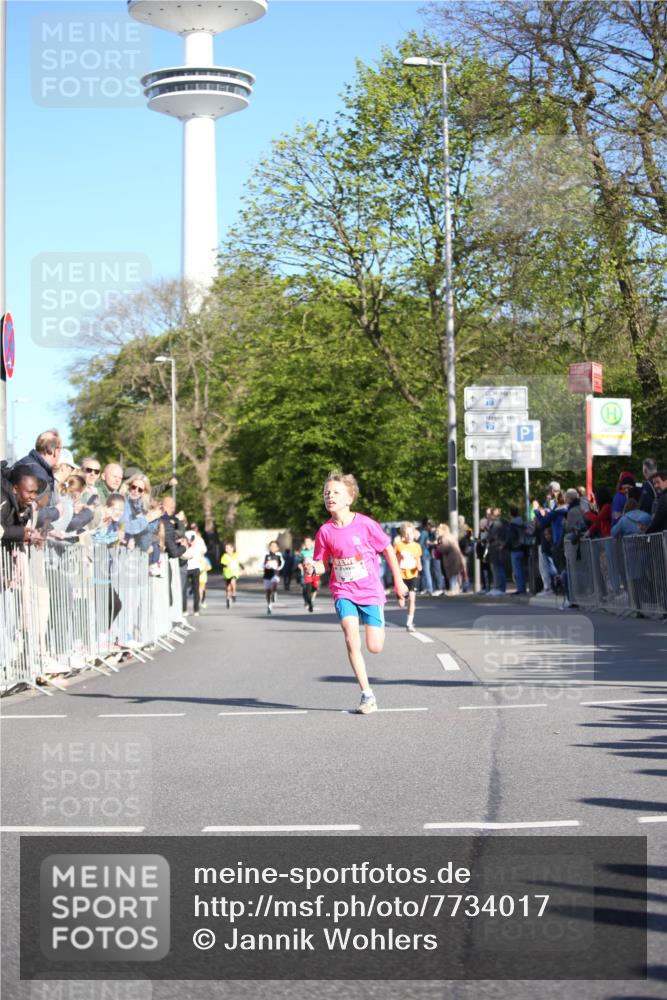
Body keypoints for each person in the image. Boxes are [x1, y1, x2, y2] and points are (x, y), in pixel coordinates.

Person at [312, 472, 408, 715]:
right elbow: (322, 564)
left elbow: (387, 550)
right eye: (326, 493)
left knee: (374, 646)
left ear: (349, 498)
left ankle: (378, 626)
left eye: (335, 492)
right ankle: (367, 695)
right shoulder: (324, 531)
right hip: (343, 590)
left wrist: (398, 583)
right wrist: (314, 567)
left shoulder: (365, 524)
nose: (330, 496)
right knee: (350, 637)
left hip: (369, 591)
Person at [394, 521, 422, 631]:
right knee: (401, 604)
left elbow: (418, 559)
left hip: (413, 574)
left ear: (414, 534)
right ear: (403, 535)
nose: (409, 536)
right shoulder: (399, 546)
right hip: (401, 575)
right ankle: (400, 596)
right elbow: (394, 560)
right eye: (407, 534)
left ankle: (409, 623)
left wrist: (419, 566)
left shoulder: (417, 546)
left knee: (412, 598)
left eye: (411, 533)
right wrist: (396, 568)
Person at [182, 528, 207, 616]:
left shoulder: (195, 539)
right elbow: (204, 551)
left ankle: (187, 610)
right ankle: (194, 610)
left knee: (187, 589)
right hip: (192, 567)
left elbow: (203, 552)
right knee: (193, 590)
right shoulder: (199, 540)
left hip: (191, 567)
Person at [435, 523, 465, 595]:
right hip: (455, 558)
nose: (437, 532)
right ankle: (455, 589)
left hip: (451, 559)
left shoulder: (444, 538)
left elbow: (444, 548)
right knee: (454, 575)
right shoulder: (450, 536)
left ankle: (453, 590)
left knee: (452, 575)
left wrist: (438, 546)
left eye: (438, 531)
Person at [486, 508, 509, 595]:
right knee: (498, 568)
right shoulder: (503, 523)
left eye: (490, 514)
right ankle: (499, 587)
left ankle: (500, 588)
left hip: (497, 549)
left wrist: (488, 536)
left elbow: (491, 536)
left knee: (497, 569)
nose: (489, 516)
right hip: (500, 548)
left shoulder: (496, 524)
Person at [507, 506, 529, 595]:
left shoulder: (512, 525)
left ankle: (520, 589)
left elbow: (511, 538)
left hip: (515, 549)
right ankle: (523, 588)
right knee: (522, 569)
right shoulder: (522, 523)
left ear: (510, 514)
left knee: (517, 570)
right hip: (523, 548)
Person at [262, 540, 284, 614]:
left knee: (274, 583)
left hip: (275, 573)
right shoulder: (266, 555)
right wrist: (266, 566)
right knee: (268, 592)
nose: (272, 547)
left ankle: (274, 593)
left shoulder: (279, 555)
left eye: (274, 546)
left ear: (277, 548)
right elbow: (262, 564)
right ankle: (269, 605)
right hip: (267, 575)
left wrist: (278, 568)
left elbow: (282, 563)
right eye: (271, 546)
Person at [220, 542, 242, 608]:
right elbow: (222, 563)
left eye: (228, 548)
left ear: (232, 548)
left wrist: (242, 568)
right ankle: (228, 598)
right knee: (228, 587)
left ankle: (234, 594)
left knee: (233, 581)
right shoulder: (224, 556)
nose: (227, 549)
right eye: (226, 548)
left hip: (234, 572)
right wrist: (226, 564)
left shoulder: (235, 555)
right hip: (227, 572)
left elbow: (238, 562)